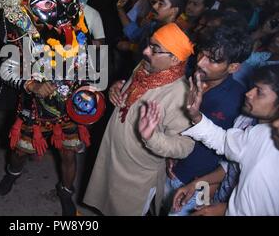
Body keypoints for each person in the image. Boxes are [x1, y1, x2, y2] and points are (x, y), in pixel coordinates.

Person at [0, 0, 99, 216]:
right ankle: (12, 174)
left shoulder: (78, 27)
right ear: (27, 5)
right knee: (20, 153)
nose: (62, 9)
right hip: (35, 108)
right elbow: (6, 70)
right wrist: (32, 84)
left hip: (68, 107)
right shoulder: (20, 33)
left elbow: (89, 63)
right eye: (49, 4)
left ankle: (66, 192)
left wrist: (89, 86)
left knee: (69, 155)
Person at [83, 23, 195, 216]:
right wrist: (115, 90)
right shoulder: (144, 68)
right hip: (113, 156)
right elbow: (127, 97)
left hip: (137, 175)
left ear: (174, 58)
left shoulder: (181, 94)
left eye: (154, 49)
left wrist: (151, 136)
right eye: (149, 44)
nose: (145, 51)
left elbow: (185, 146)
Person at [164, 24, 252, 215]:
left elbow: (234, 158)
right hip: (168, 166)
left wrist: (206, 185)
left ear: (234, 67)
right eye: (201, 54)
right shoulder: (186, 77)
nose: (201, 63)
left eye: (213, 60)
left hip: (201, 185)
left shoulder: (240, 103)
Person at [174, 65, 279, 215]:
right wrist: (196, 116)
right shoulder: (262, 133)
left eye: (260, 92)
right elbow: (224, 142)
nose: (249, 94)